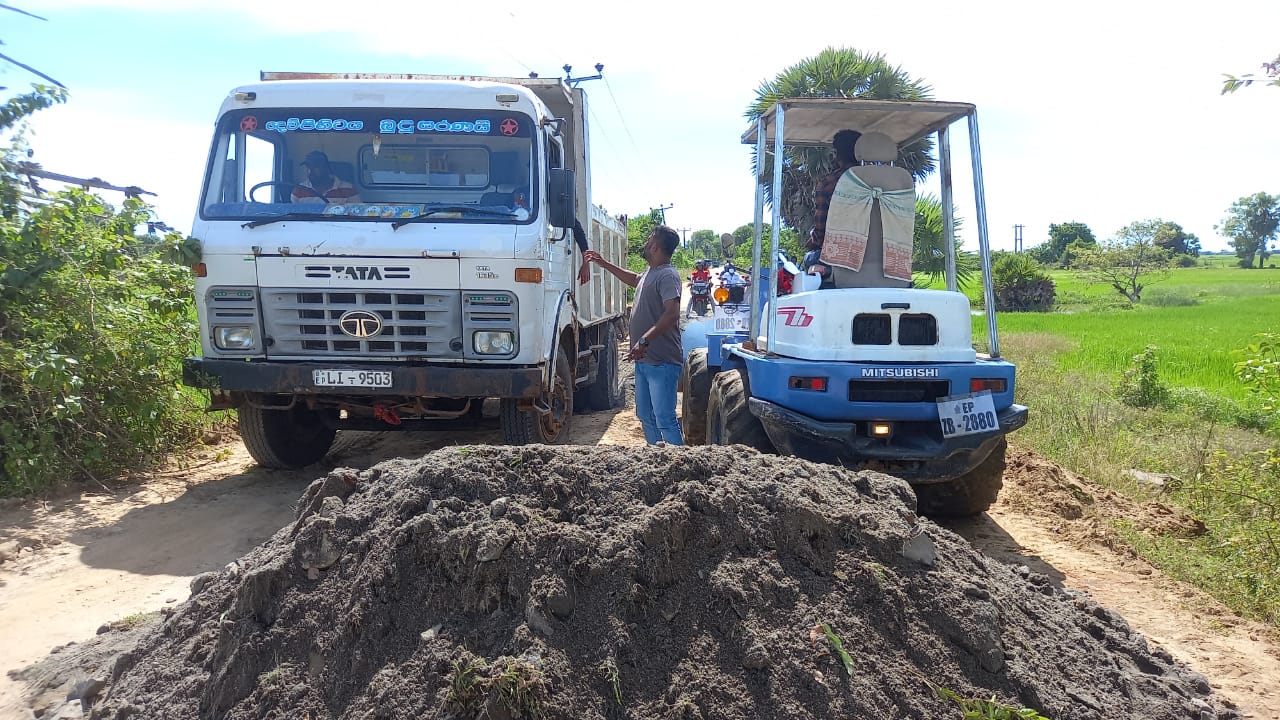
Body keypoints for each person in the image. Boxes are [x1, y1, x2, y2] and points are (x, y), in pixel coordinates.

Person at [583, 225, 683, 445]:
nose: (646, 243)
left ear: (655, 246)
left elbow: (672, 314)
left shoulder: (667, 275)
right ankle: (657, 459)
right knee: (645, 416)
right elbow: (634, 279)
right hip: (645, 361)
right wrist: (604, 263)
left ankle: (679, 464)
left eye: (649, 240)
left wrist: (644, 340)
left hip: (661, 361)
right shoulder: (651, 273)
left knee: (664, 418)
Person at [805, 129, 862, 283]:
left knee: (810, 258)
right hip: (878, 256)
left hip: (840, 259)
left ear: (837, 154)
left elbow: (820, 233)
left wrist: (812, 241)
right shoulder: (884, 183)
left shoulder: (829, 183)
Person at [291, 150, 362, 204]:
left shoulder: (348, 189)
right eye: (309, 167)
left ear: (326, 167)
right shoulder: (298, 191)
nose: (310, 171)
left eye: (316, 167)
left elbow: (357, 213)